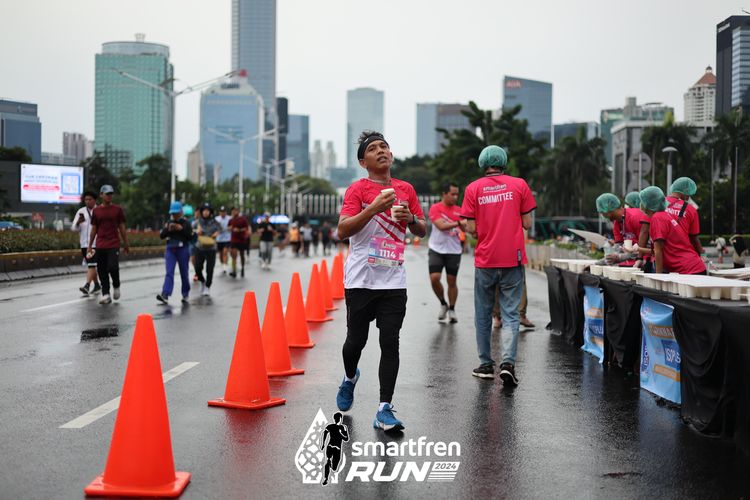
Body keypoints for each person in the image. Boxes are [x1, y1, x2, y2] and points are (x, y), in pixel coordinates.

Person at [334, 130, 426, 432]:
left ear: (391, 155)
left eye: (384, 146)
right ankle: (350, 377)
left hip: (393, 280)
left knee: (390, 341)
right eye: (373, 149)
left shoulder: (406, 189)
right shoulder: (357, 190)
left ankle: (384, 408)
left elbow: (422, 229)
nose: (381, 151)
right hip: (361, 279)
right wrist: (374, 208)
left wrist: (410, 219)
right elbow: (342, 230)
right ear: (364, 162)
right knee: (355, 342)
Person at [461, 145, 536, 386]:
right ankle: (507, 364)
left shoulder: (473, 189)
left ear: (483, 164)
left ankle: (485, 365)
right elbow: (527, 223)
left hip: (486, 259)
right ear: (504, 162)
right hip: (512, 257)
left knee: (483, 313)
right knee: (511, 313)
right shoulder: (519, 185)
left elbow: (471, 228)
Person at [639, 186, 706, 275]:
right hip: (693, 267)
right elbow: (661, 249)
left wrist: (658, 277)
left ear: (648, 204)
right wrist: (637, 249)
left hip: (688, 270)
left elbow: (658, 251)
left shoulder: (657, 218)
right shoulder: (664, 215)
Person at [427, 182, 465, 323]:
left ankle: (452, 309)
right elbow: (441, 226)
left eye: (457, 194)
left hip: (453, 250)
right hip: (436, 248)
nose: (455, 197)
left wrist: (467, 226)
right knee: (434, 278)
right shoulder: (435, 208)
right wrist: (459, 223)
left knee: (452, 281)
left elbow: (468, 228)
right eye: (452, 194)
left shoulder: (460, 211)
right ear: (444, 194)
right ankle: (443, 303)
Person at [87, 184, 129, 305]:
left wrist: (126, 243)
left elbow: (122, 227)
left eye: (111, 194)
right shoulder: (96, 211)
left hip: (113, 243)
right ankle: (105, 293)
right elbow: (94, 229)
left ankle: (116, 285)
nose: (109, 196)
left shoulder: (117, 210)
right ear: (101, 195)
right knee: (101, 270)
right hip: (100, 244)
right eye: (107, 194)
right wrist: (90, 245)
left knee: (113, 267)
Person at [595, 192, 650, 267]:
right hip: (631, 263)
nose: (603, 216)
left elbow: (647, 247)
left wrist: (620, 257)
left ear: (608, 209)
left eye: (602, 213)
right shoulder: (617, 223)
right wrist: (601, 262)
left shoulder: (635, 217)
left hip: (646, 261)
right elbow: (619, 248)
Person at [156, 202, 193, 304]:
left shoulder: (186, 223)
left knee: (184, 272)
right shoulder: (169, 222)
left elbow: (190, 237)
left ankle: (185, 293)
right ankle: (165, 294)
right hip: (170, 249)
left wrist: (181, 229)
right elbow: (162, 235)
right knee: (169, 272)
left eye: (176, 213)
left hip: (182, 249)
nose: (174, 215)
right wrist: (168, 229)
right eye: (173, 213)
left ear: (181, 212)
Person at [71, 191, 101, 295]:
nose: (87, 201)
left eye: (90, 199)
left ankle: (87, 285)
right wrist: (78, 222)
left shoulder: (99, 211)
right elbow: (74, 229)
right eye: (86, 199)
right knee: (91, 265)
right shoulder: (81, 211)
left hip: (96, 244)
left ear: (95, 200)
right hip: (84, 244)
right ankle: (97, 285)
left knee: (92, 265)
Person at [666, 177, 703, 256]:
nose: (688, 198)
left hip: (661, 254)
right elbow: (694, 238)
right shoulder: (691, 210)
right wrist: (702, 254)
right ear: (684, 191)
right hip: (683, 255)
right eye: (688, 194)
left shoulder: (658, 204)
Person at [194, 203, 220, 296]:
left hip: (211, 248)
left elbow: (220, 230)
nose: (205, 212)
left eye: (207, 210)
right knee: (197, 268)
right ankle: (202, 281)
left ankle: (207, 286)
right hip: (200, 247)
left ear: (210, 212)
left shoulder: (215, 222)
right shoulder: (198, 221)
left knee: (210, 269)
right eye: (204, 210)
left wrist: (216, 233)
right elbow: (190, 229)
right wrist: (196, 231)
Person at [319, 411, 349, 486]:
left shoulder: (340, 427)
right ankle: (326, 478)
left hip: (332, 447)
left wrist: (323, 444)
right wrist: (323, 444)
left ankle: (329, 467)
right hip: (334, 448)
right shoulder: (338, 427)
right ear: (339, 419)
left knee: (333, 466)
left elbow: (346, 438)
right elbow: (346, 438)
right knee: (330, 463)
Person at [228, 207, 249, 277]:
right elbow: (228, 228)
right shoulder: (231, 220)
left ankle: (242, 268)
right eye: (232, 211)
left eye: (235, 211)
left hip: (241, 239)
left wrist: (239, 230)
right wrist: (230, 228)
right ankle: (234, 271)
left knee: (242, 254)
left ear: (238, 211)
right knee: (234, 255)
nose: (234, 212)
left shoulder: (243, 219)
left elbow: (246, 228)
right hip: (233, 240)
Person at [215, 206, 232, 274]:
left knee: (225, 252)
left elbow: (232, 226)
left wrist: (229, 228)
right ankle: (222, 265)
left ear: (226, 212)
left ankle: (225, 266)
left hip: (227, 238)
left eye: (224, 212)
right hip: (219, 239)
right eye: (221, 212)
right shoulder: (216, 219)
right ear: (219, 212)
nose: (223, 213)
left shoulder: (229, 218)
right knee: (221, 253)